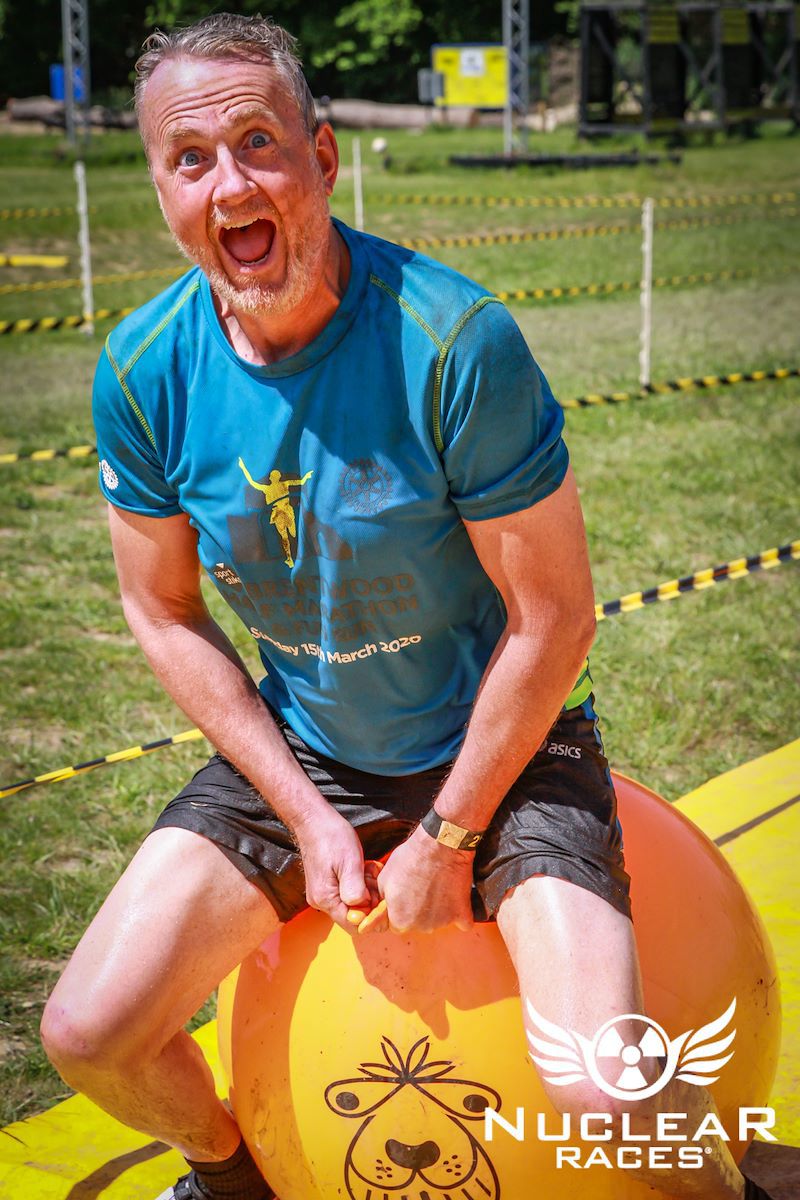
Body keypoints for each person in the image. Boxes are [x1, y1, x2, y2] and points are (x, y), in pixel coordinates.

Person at [40, 15, 774, 1200]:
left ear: (322, 158)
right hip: (313, 752)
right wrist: (305, 810)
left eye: (257, 144)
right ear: (160, 190)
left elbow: (555, 621)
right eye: (190, 160)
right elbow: (164, 612)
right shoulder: (141, 369)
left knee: (598, 1091)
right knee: (86, 1032)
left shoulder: (453, 341)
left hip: (510, 746)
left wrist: (447, 835)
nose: (228, 183)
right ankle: (238, 1181)